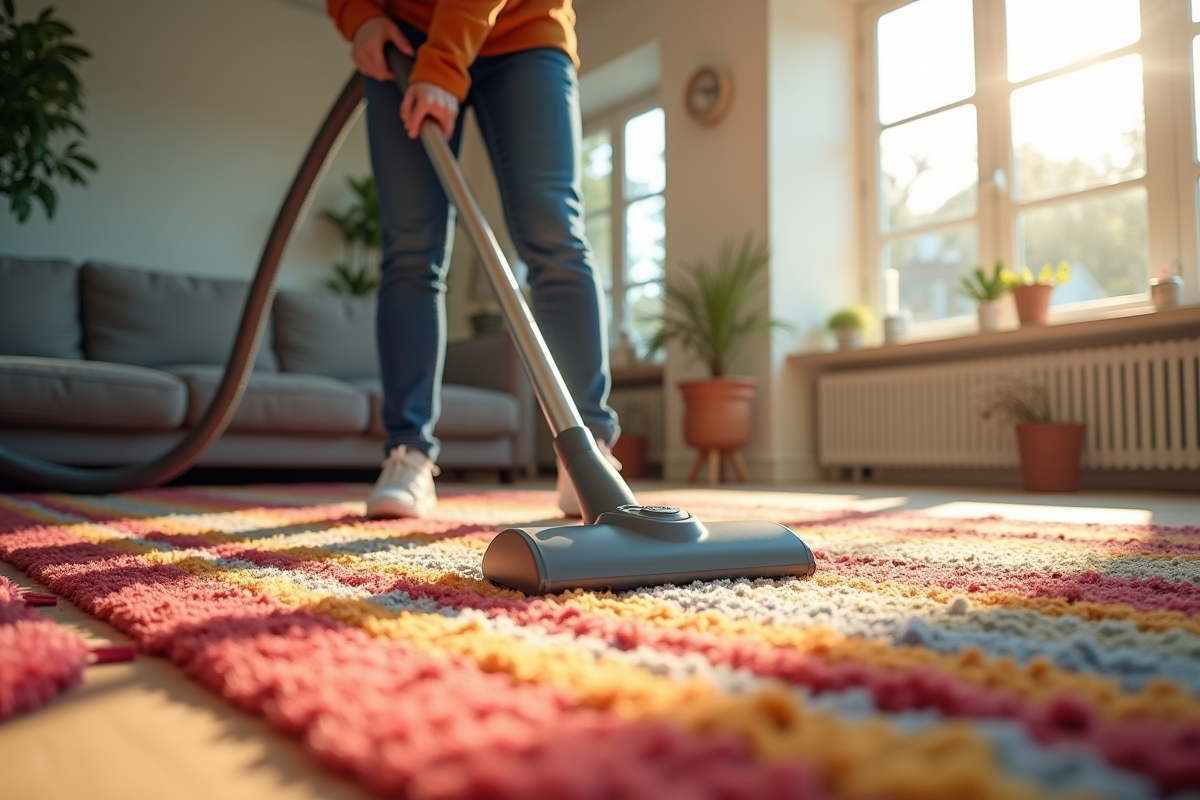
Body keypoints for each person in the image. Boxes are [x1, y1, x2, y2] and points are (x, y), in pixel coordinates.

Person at [325, 0, 619, 519]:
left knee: (553, 234)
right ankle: (409, 453)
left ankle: (588, 448)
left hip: (525, 29)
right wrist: (359, 16)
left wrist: (442, 63)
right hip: (403, 36)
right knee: (410, 249)